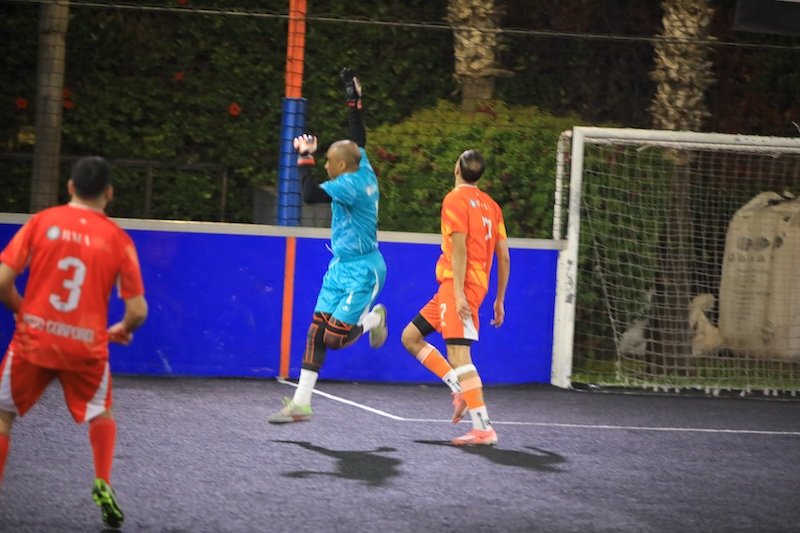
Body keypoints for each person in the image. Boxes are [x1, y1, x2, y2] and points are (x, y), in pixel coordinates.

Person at [0, 156, 148, 529]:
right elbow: (138, 310)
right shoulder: (118, 239)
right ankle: (102, 480)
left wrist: (20, 309)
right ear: (109, 193)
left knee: (3, 416)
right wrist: (121, 328)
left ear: (69, 187)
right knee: (101, 411)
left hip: (34, 339)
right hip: (85, 345)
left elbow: (2, 281)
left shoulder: (42, 221)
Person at [268, 68, 388, 424]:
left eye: (328, 161)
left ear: (342, 166)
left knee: (334, 339)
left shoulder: (350, 185)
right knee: (315, 332)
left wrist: (304, 156)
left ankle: (373, 319)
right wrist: (353, 102)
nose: (325, 164)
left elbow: (307, 194)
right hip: (340, 266)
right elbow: (358, 138)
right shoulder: (361, 166)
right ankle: (301, 404)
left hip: (364, 270)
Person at [400, 149, 510, 446]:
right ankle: (458, 387)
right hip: (464, 287)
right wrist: (499, 299)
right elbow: (504, 256)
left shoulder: (454, 199)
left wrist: (459, 293)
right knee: (410, 337)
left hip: (458, 286)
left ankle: (483, 429)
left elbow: (459, 248)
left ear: (456, 169)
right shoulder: (492, 206)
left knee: (460, 355)